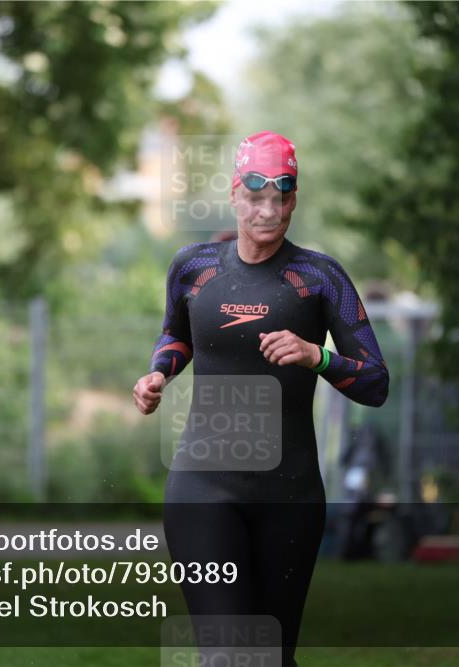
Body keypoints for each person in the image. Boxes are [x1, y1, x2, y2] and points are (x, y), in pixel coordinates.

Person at [133, 131, 389, 667]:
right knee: (226, 654)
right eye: (256, 197)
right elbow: (177, 335)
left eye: (282, 198)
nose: (268, 211)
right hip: (203, 485)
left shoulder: (320, 278)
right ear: (234, 193)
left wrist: (315, 356)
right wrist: (158, 374)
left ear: (294, 199)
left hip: (289, 495)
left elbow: (375, 382)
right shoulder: (193, 267)